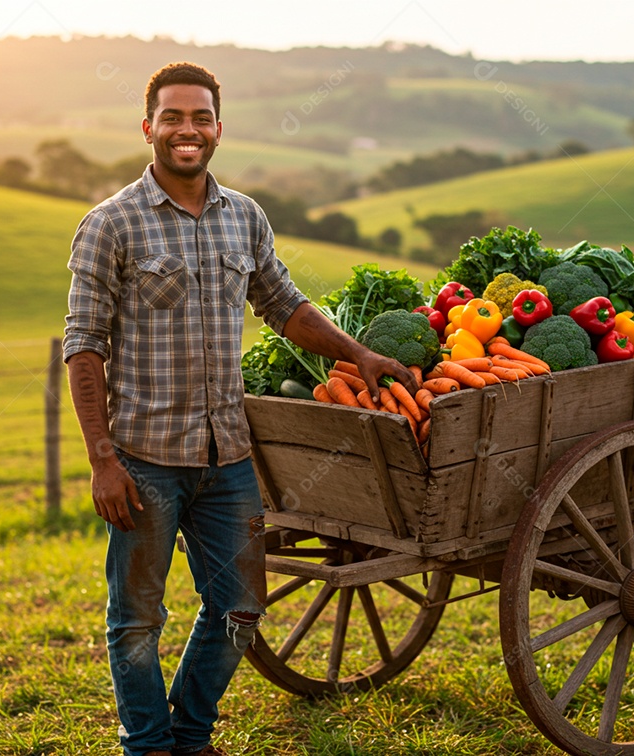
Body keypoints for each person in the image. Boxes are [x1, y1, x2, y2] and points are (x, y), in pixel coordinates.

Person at [63, 62, 413, 756]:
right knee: (136, 620)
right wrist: (102, 458)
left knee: (240, 612)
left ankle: (189, 736)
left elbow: (283, 304)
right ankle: (148, 745)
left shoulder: (243, 217)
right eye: (172, 117)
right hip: (144, 462)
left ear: (218, 128)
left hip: (228, 461)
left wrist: (357, 354)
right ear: (149, 127)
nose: (186, 130)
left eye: (200, 117)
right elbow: (83, 344)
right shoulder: (111, 225)